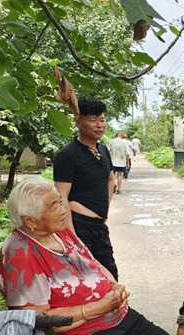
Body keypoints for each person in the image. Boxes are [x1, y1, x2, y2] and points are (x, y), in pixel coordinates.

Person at [0, 177, 181, 335]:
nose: (63, 209)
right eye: (54, 206)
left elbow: (93, 263)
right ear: (30, 221)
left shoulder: (60, 231)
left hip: (110, 314)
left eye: (60, 201)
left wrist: (114, 286)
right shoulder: (20, 253)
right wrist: (97, 308)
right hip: (79, 333)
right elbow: (36, 319)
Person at [53, 98, 119, 281]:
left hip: (99, 226)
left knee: (110, 275)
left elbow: (110, 178)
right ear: (78, 123)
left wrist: (105, 209)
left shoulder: (103, 150)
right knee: (85, 278)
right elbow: (61, 196)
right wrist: (71, 234)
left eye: (102, 120)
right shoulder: (67, 155)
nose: (99, 125)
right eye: (92, 120)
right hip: (79, 225)